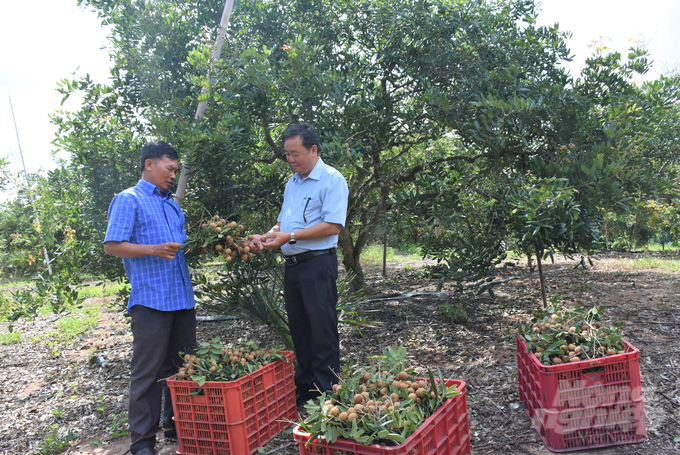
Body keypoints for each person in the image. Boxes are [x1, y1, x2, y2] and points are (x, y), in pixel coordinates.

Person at [103, 141, 196, 455]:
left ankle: (176, 427)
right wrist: (154, 250)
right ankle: (142, 443)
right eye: (169, 169)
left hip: (181, 299)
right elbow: (113, 245)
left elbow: (179, 249)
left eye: (176, 170)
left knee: (183, 368)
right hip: (152, 300)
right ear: (149, 165)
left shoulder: (172, 205)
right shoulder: (129, 200)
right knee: (148, 372)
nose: (173, 175)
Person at [251, 123, 349, 406]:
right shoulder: (292, 183)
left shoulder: (332, 179)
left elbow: (333, 226)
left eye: (296, 154)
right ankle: (305, 392)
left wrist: (289, 236)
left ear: (313, 149)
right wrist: (268, 236)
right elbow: (284, 222)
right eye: (287, 154)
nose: (291, 160)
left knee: (322, 331)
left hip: (317, 265)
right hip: (293, 266)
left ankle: (327, 394)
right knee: (300, 331)